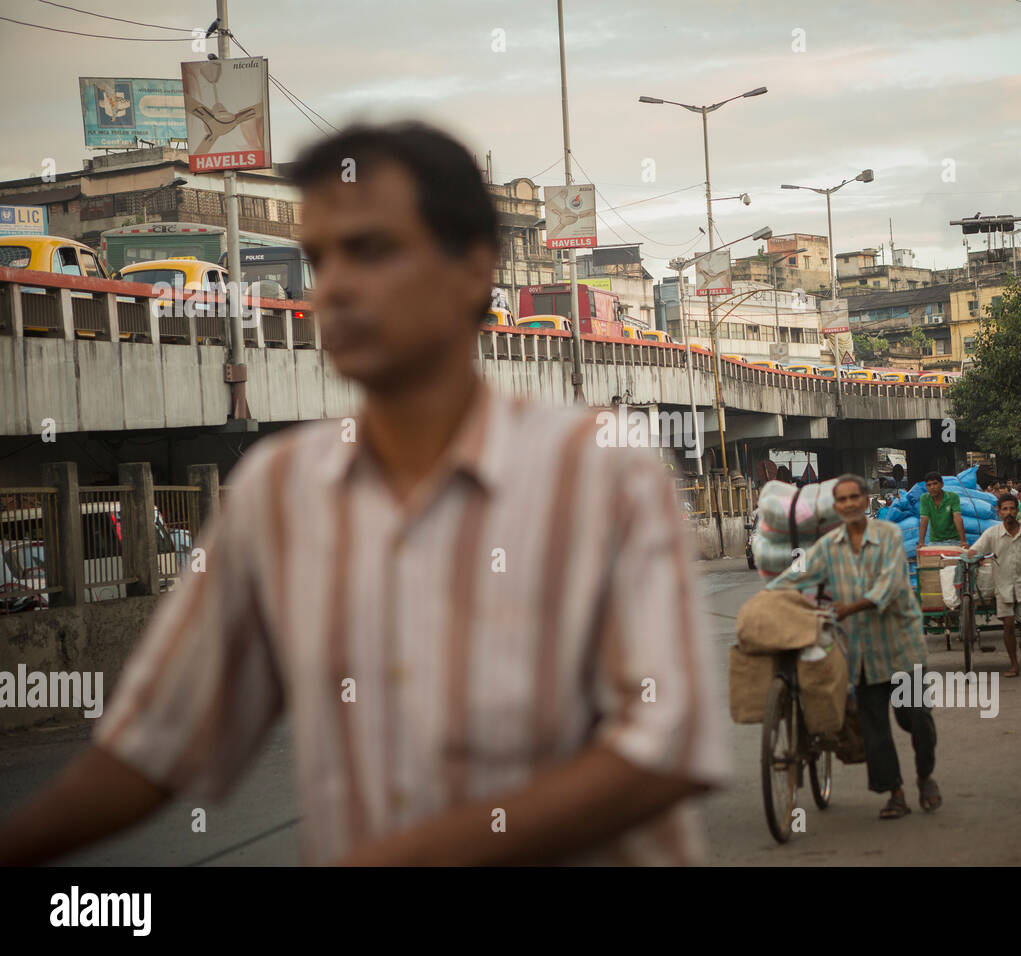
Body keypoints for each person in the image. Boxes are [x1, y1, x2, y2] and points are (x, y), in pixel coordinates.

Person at [0, 123, 729, 867]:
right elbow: (152, 745)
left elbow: (662, 748)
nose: (334, 285)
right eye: (320, 258)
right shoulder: (278, 494)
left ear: (474, 270)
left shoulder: (601, 475)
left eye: (372, 250)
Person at [766, 475, 939, 819]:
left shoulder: (888, 536)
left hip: (901, 648)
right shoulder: (829, 546)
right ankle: (896, 793)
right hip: (862, 655)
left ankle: (924, 777)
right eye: (840, 500)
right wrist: (773, 591)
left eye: (853, 498)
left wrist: (852, 607)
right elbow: (801, 571)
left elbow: (890, 583)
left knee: (916, 719)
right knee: (875, 731)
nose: (847, 504)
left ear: (864, 500)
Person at [967, 493, 1021, 678]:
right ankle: (1014, 664)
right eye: (1005, 509)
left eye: (1012, 508)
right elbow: (976, 549)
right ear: (999, 512)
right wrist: (970, 556)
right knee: (1008, 624)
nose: (1009, 512)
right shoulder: (992, 533)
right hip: (1003, 586)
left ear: (1017, 511)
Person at [917, 471, 966, 546]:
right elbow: (924, 519)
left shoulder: (953, 497)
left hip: (953, 540)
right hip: (935, 541)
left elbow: (957, 518)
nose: (932, 487)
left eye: (935, 483)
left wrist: (963, 541)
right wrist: (921, 542)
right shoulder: (924, 498)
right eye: (929, 485)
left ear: (942, 484)